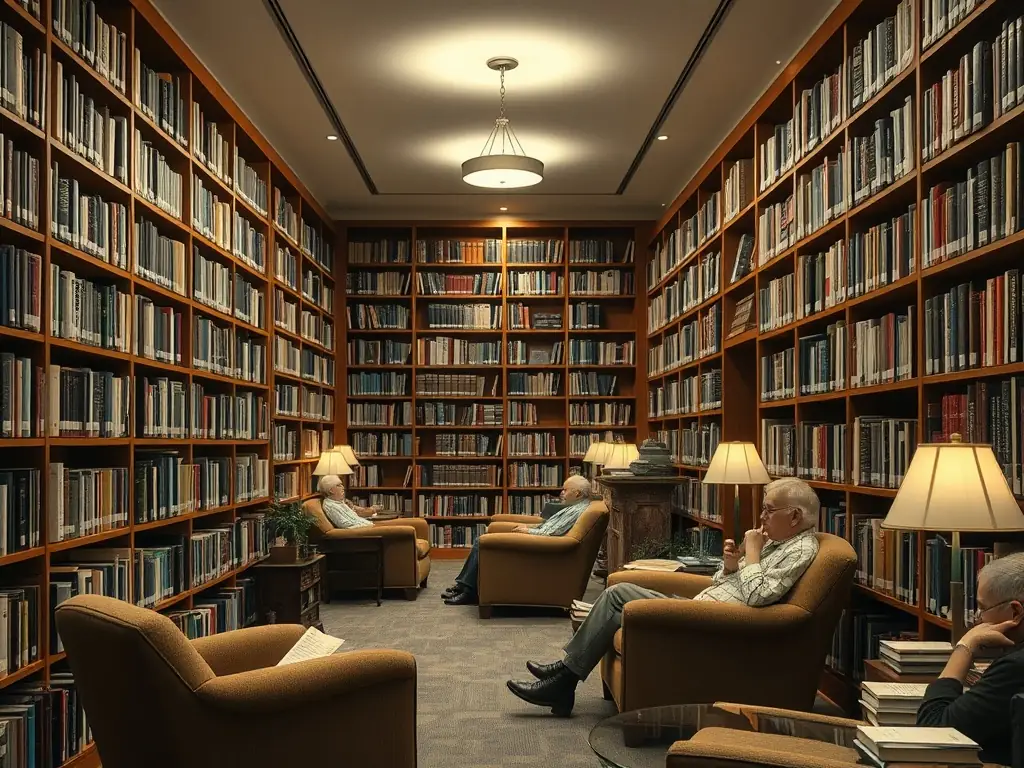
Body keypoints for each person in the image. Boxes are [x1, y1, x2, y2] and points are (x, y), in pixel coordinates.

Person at [506, 477, 821, 716]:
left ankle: (563, 680)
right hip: (701, 610)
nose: (762, 517)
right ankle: (565, 673)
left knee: (617, 598)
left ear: (794, 516)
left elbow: (757, 596)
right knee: (618, 592)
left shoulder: (801, 549)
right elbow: (730, 584)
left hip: (712, 624)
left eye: (769, 510)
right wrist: (730, 567)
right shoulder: (778, 543)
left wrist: (751, 556)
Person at [916, 552, 1024, 766]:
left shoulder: (1015, 668)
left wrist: (965, 646)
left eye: (982, 608)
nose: (977, 618)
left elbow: (934, 734)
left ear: (1015, 612)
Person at [441, 474, 594, 606]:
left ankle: (467, 591)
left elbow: (550, 533)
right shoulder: (575, 507)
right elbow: (548, 526)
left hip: (541, 547)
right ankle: (463, 587)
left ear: (578, 494)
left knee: (481, 541)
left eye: (565, 490)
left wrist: (528, 531)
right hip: (540, 542)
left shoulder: (576, 510)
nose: (561, 493)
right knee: (481, 541)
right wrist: (528, 526)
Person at [317, 474, 383, 529]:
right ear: (331, 490)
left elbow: (355, 517)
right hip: (365, 531)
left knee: (392, 523)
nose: (343, 487)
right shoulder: (330, 505)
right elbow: (345, 525)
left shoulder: (339, 502)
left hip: (368, 525)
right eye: (338, 485)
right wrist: (370, 526)